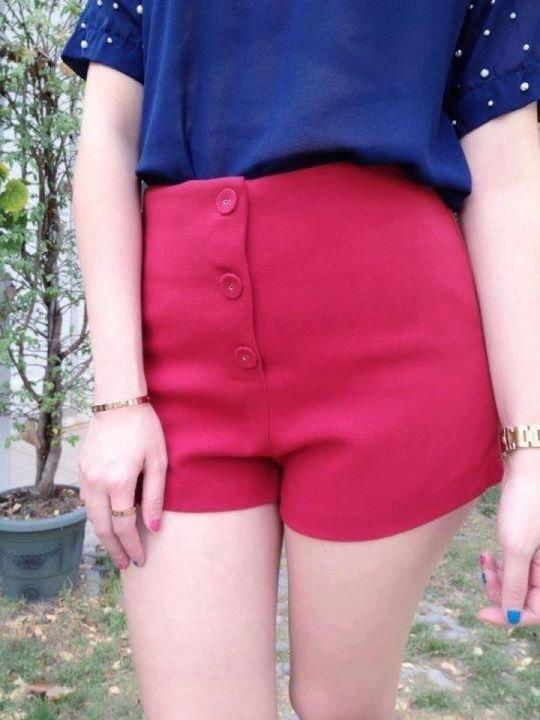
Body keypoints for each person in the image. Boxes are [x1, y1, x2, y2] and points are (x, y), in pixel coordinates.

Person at [60, 2, 540, 719]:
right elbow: (107, 132)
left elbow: (506, 168)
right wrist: (117, 399)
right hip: (176, 369)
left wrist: (531, 450)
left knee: (340, 706)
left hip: (393, 365)